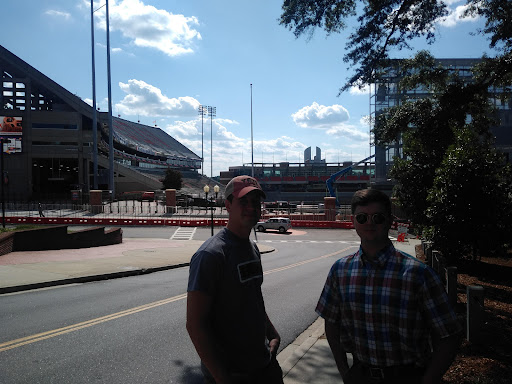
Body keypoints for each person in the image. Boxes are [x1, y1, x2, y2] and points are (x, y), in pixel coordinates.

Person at [316, 188, 462, 384]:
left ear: (390, 221)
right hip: (360, 374)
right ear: (353, 221)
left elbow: (448, 335)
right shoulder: (340, 271)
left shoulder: (419, 274)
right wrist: (345, 373)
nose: (369, 223)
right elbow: (331, 324)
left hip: (408, 375)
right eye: (362, 218)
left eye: (377, 217)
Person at [186, 175, 283, 384]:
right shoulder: (210, 255)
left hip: (263, 366)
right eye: (243, 201)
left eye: (256, 202)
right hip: (232, 374)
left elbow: (253, 299)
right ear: (228, 205)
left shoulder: (253, 249)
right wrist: (222, 378)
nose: (251, 207)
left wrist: (273, 334)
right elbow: (195, 324)